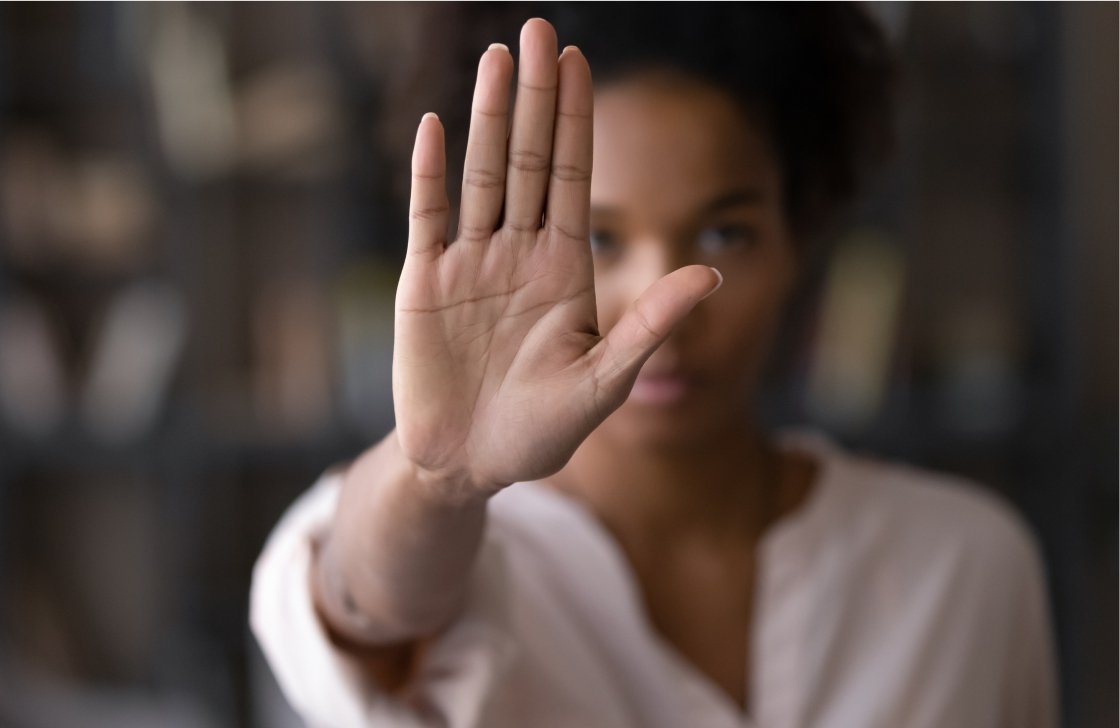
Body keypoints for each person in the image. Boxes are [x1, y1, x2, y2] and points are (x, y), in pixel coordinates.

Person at [251, 7, 1058, 727]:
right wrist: (437, 477)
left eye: (723, 236)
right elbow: (365, 607)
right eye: (598, 240)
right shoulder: (441, 534)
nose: (660, 308)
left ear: (800, 239)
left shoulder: (964, 570)